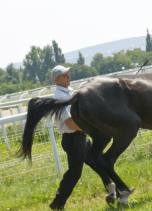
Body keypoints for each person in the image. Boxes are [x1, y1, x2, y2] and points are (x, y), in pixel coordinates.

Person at [49, 65, 91, 210]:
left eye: (68, 73)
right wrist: (89, 129)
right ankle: (57, 203)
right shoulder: (60, 97)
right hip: (73, 139)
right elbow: (69, 122)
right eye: (64, 75)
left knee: (99, 160)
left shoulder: (70, 92)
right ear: (56, 80)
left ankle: (115, 188)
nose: (68, 76)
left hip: (79, 136)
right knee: (74, 173)